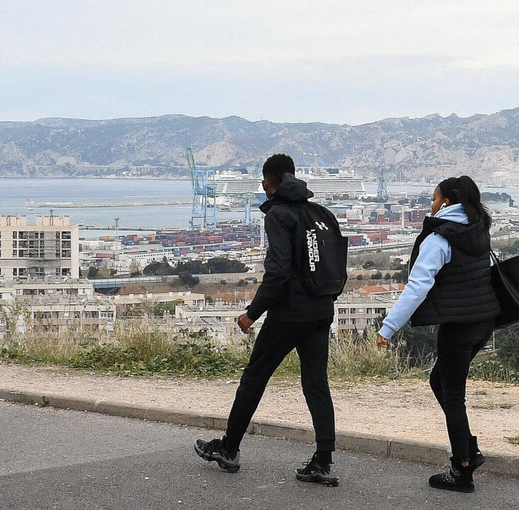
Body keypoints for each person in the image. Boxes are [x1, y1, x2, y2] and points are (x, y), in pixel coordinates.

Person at [194, 154, 341, 486]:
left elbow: (277, 273)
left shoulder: (278, 214)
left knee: (254, 378)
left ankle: (229, 449)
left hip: (289, 314)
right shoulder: (318, 213)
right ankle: (323, 461)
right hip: (321, 311)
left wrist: (252, 313)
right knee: (316, 385)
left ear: (267, 182)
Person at [376, 175, 499, 493]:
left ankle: (463, 470)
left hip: (458, 326)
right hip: (484, 321)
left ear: (445, 202)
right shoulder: (477, 228)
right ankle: (468, 450)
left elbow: (418, 286)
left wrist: (389, 327)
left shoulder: (440, 237)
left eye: (433, 199)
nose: (430, 205)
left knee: (453, 395)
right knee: (439, 381)